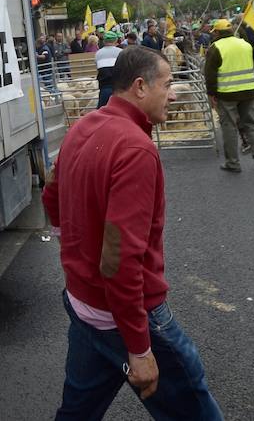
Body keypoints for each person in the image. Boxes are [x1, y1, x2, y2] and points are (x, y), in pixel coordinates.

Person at [43, 47, 224, 420]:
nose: (173, 94)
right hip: (124, 317)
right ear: (140, 87)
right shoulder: (136, 148)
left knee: (77, 411)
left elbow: (51, 195)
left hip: (83, 305)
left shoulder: (83, 125)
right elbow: (122, 259)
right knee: (196, 412)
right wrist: (140, 348)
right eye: (168, 84)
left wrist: (73, 250)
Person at [205, 19, 254, 173]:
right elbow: (253, 64)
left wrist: (211, 93)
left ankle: (233, 163)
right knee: (252, 125)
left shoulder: (215, 48)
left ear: (218, 32)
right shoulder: (246, 44)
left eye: (214, 32)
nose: (213, 34)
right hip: (248, 91)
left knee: (229, 127)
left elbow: (210, 74)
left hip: (226, 94)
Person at [95, 31, 122, 107]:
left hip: (104, 88)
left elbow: (98, 68)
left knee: (103, 111)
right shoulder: (121, 52)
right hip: (119, 88)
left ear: (104, 41)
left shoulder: (98, 53)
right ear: (115, 40)